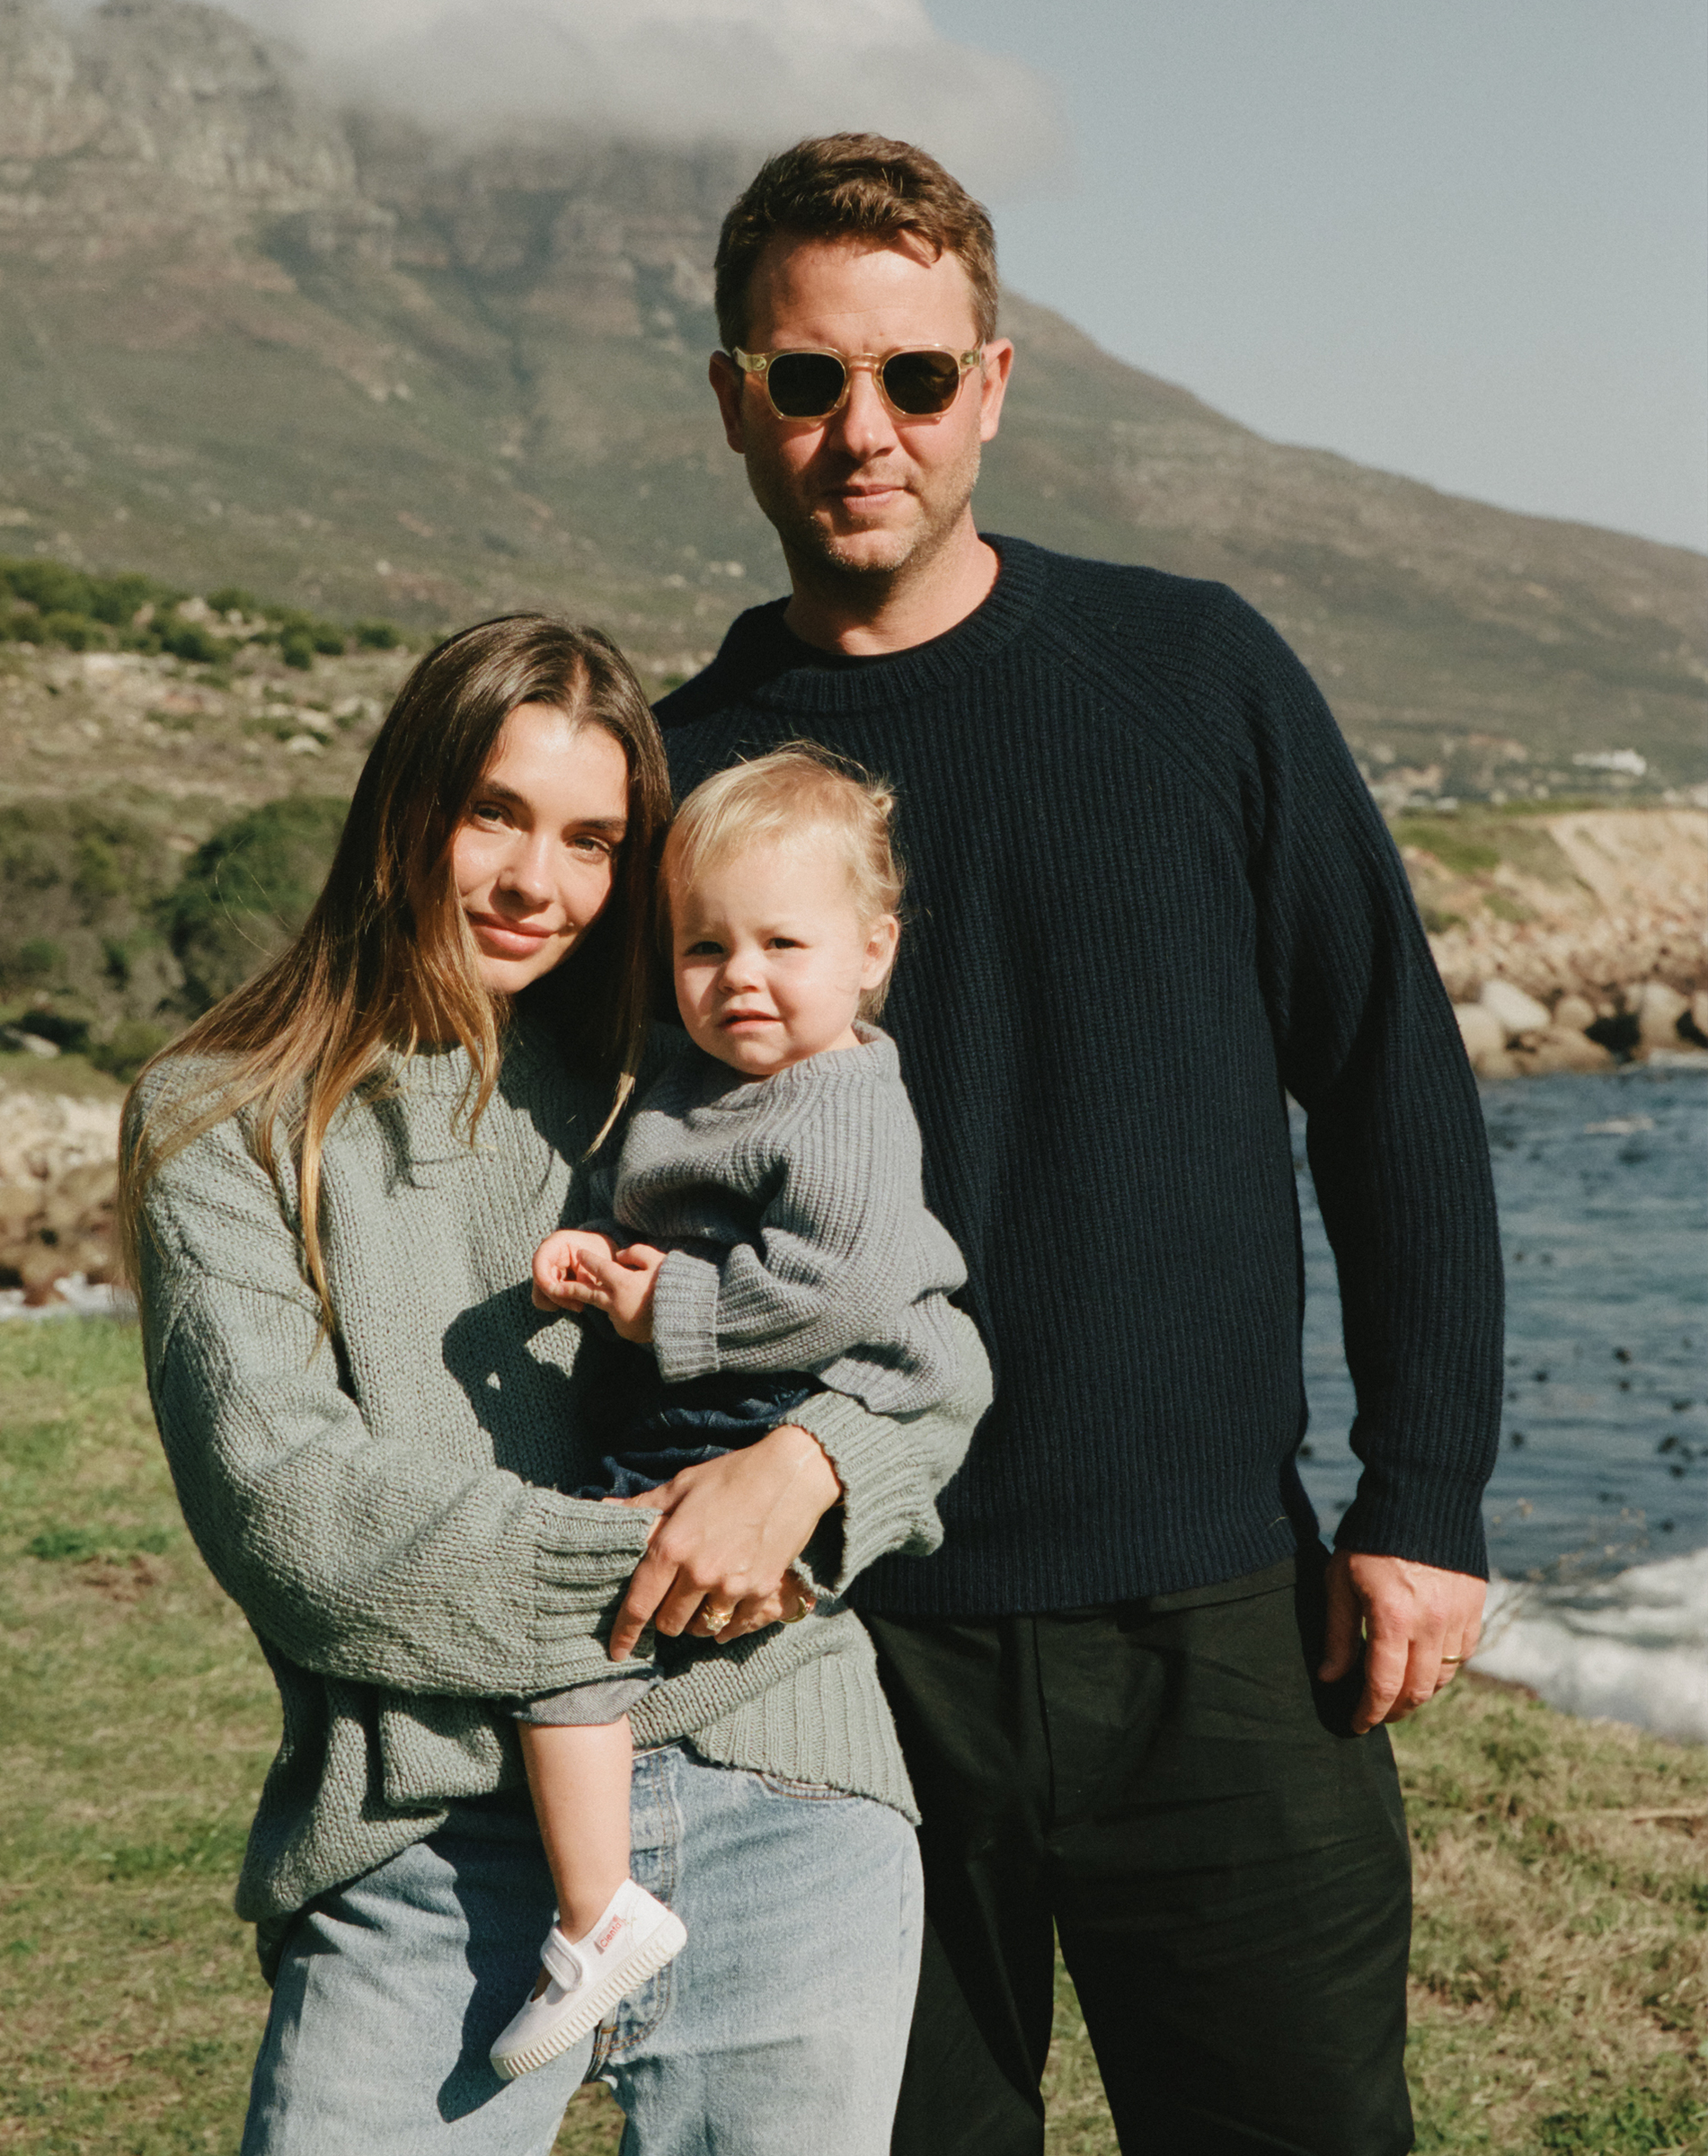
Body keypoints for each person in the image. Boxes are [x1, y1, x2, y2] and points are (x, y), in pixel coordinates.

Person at [655, 135, 1503, 2156]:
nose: (864, 430)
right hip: (828, 1658)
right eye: (806, 380)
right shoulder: (673, 773)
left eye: (916, 377)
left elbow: (1388, 1073)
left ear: (995, 384)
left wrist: (1428, 1488)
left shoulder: (1192, 674)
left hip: (1213, 1627)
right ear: (733, 403)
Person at [119, 614, 991, 2155]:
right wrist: (693, 1557)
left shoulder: (686, 1082)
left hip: (781, 1788)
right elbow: (295, 1514)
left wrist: (807, 1474)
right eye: (494, 816)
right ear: (407, 806)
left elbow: (935, 1357)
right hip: (426, 1830)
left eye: (595, 840)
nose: (540, 884)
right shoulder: (218, 1124)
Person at [492, 745, 980, 2080]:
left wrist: (668, 1315)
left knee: (564, 1637)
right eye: (704, 947)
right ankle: (601, 1904)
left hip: (751, 1397)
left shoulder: (837, 1098)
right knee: (597, 1621)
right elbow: (656, 1216)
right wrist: (591, 1258)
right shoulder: (691, 1077)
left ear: (872, 954)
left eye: (781, 941)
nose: (739, 977)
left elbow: (842, 1289)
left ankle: (600, 1919)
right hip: (691, 1385)